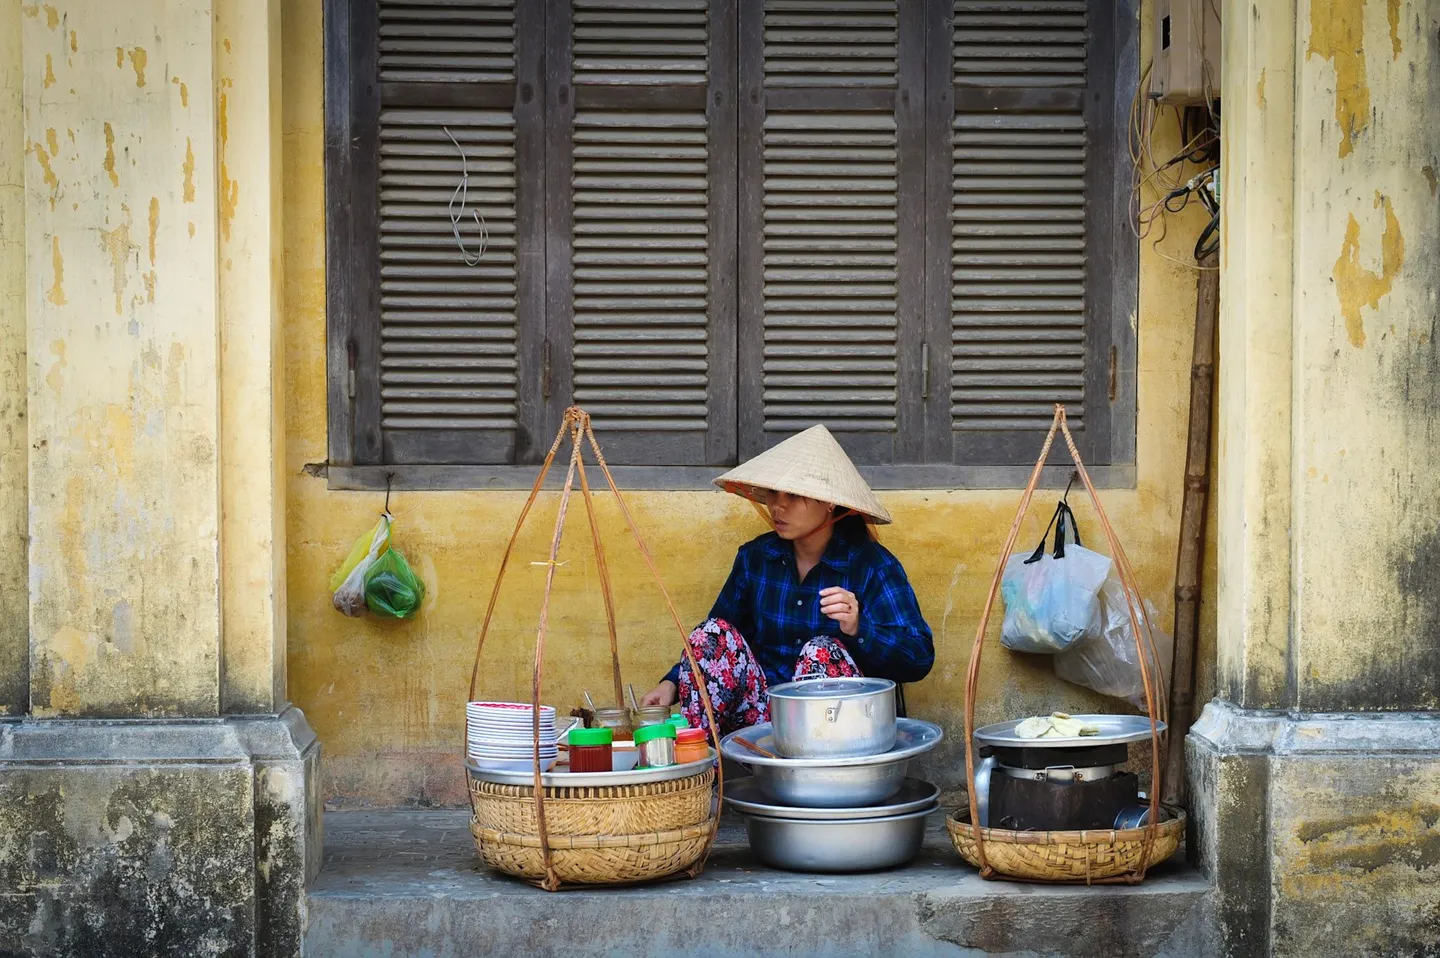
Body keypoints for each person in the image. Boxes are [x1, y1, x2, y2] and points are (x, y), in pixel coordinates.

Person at [640, 424, 934, 734]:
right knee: (711, 632)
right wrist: (672, 681)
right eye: (773, 494)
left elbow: (919, 659)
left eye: (793, 495)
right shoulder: (756, 558)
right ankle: (707, 773)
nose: (779, 506)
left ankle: (819, 776)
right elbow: (718, 641)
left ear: (829, 502)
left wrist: (859, 628)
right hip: (763, 713)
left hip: (841, 727)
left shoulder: (872, 565)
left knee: (820, 651)